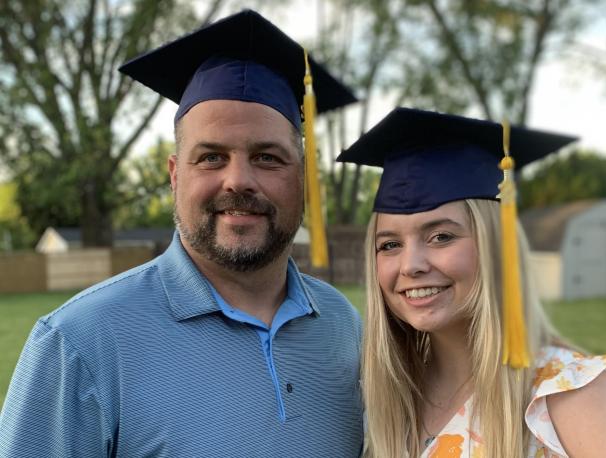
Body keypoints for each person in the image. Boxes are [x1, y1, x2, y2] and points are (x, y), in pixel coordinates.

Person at [0, 10, 364, 457]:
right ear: (175, 175)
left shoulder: (343, 327)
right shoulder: (79, 343)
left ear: (302, 177)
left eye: (268, 157)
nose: (238, 181)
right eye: (211, 157)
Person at [337, 107, 606, 457]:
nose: (410, 266)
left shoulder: (563, 395)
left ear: (497, 247)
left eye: (441, 236)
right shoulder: (389, 399)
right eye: (390, 245)